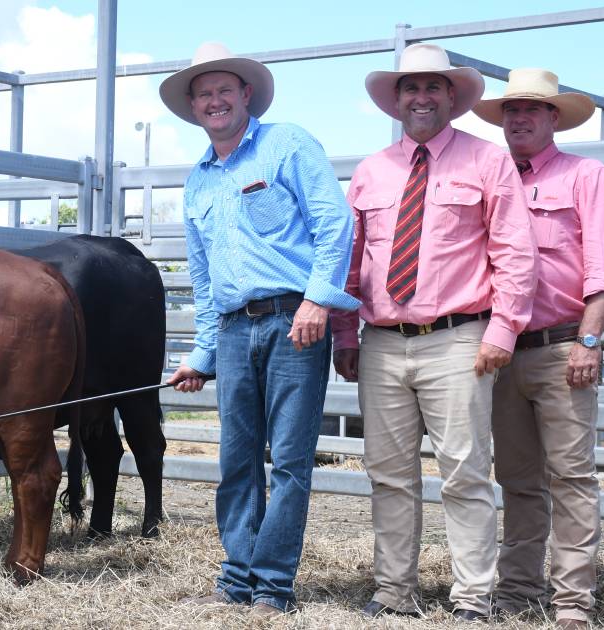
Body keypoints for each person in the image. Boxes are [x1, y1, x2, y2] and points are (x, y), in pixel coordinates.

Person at [329, 43, 538, 621]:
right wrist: (346, 335)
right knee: (388, 476)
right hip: (382, 343)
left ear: (452, 97)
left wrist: (502, 329)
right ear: (396, 101)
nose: (421, 97)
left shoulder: (486, 162)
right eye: (410, 88)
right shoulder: (372, 171)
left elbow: (515, 252)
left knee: (464, 474)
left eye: (432, 88)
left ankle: (473, 597)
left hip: (458, 339)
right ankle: (394, 591)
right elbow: (350, 262)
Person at [161, 41, 359, 616]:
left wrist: (318, 301)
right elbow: (202, 280)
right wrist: (201, 354)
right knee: (236, 458)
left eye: (225, 90)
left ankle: (273, 583)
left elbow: (333, 223)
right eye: (204, 94)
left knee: (291, 459)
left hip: (294, 320)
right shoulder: (197, 181)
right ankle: (238, 574)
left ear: (247, 95)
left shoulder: (287, 144)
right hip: (231, 328)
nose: (215, 101)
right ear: (193, 108)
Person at [473, 68, 604, 630]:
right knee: (516, 478)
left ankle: (573, 601)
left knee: (570, 476)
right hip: (498, 349)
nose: (518, 119)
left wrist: (589, 340)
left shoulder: (586, 177)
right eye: (510, 111)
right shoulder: (491, 179)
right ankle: (518, 590)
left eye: (532, 110)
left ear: (554, 118)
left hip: (562, 345)